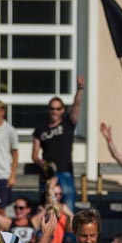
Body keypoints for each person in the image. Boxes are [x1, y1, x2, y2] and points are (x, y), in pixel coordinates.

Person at [33, 76, 85, 209]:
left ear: (62, 110)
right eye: (52, 108)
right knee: (46, 204)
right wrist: (41, 162)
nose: (54, 111)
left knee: (68, 203)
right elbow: (34, 155)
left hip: (65, 171)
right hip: (48, 173)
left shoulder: (68, 123)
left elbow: (76, 105)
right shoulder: (40, 130)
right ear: (48, 110)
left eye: (57, 108)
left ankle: (68, 230)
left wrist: (80, 89)